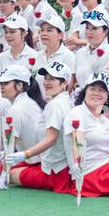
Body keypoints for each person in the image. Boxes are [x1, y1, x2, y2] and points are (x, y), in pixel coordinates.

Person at [13, 61, 76, 192]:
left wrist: (26, 154)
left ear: (64, 83)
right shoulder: (64, 101)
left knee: (9, 173)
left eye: (52, 79)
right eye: (46, 78)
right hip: (59, 167)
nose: (46, 82)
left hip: (55, 172)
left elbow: (51, 139)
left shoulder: (56, 105)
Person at [0, 66, 44, 190]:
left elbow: (10, 144)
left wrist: (5, 175)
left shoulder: (16, 109)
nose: (1, 87)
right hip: (35, 159)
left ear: (19, 85)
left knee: (10, 174)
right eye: (0, 83)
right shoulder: (30, 102)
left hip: (39, 164)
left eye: (5, 83)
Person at [30, 15, 76, 101]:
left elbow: (68, 88)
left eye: (49, 30)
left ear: (60, 35)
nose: (43, 33)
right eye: (42, 30)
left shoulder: (68, 56)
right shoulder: (36, 56)